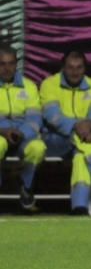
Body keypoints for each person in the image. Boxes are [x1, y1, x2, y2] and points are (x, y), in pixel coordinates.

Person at [40, 50, 91, 215]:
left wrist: (90, 125)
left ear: (85, 68)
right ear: (63, 68)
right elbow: (52, 117)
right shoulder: (49, 84)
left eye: (79, 67)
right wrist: (77, 127)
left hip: (84, 139)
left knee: (81, 155)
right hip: (55, 139)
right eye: (70, 67)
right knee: (84, 144)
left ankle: (80, 207)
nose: (75, 72)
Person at [0, 42, 46, 213]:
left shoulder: (29, 86)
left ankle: (26, 187)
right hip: (0, 134)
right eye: (2, 64)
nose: (7, 68)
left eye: (11, 63)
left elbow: (35, 118)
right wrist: (3, 131)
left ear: (17, 64)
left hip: (22, 135)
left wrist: (22, 133)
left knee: (38, 147)